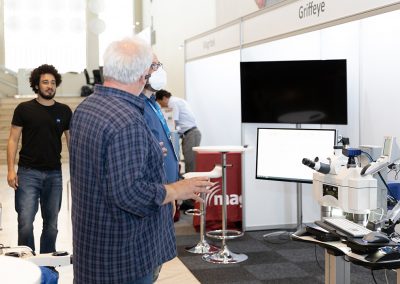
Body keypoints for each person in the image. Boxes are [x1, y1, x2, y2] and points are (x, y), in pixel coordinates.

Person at [69, 36, 212, 284]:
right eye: (154, 67)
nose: (156, 72)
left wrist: (146, 153)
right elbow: (130, 194)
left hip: (94, 245)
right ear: (141, 75)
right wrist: (178, 189)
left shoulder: (87, 107)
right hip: (125, 255)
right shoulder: (128, 120)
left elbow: (104, 167)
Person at [7, 64, 72, 254]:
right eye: (45, 82)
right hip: (28, 174)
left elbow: (72, 143)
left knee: (51, 225)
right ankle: (27, 264)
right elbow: (12, 140)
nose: (49, 86)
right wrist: (11, 170)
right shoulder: (24, 109)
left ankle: (47, 266)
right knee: (25, 223)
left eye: (52, 82)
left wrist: (77, 172)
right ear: (37, 85)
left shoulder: (64, 111)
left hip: (54, 175)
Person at [139, 54, 179, 282]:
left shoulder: (153, 103)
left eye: (159, 65)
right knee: (149, 263)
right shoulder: (137, 105)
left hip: (166, 190)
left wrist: (173, 189)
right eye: (154, 65)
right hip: (152, 192)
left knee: (157, 260)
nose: (159, 70)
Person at [156, 89, 201, 174]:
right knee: (191, 161)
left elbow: (174, 122)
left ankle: (190, 185)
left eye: (161, 103)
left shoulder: (172, 102)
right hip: (191, 133)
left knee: (190, 162)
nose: (162, 106)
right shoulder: (178, 100)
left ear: (164, 98)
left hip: (190, 134)